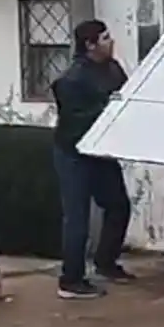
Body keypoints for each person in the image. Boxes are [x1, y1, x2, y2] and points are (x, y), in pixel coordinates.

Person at [51, 19, 134, 300]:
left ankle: (106, 262)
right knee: (77, 218)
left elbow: (124, 97)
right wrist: (106, 106)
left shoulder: (112, 68)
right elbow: (76, 120)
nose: (111, 42)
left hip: (100, 151)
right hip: (74, 154)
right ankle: (70, 280)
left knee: (118, 205)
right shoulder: (72, 79)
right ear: (90, 45)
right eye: (105, 38)